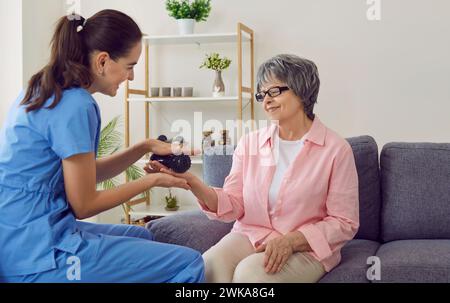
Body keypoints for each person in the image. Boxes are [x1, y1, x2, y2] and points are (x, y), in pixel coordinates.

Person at [0, 10, 204, 283]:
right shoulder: (76, 106)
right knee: (188, 264)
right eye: (130, 66)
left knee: (144, 234)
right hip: (38, 255)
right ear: (103, 61)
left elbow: (84, 174)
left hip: (23, 238)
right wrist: (153, 181)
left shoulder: (44, 90)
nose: (130, 77)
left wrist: (142, 147)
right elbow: (84, 204)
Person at [150, 54, 359, 283]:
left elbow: (344, 222)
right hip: (251, 234)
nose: (266, 100)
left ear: (302, 90)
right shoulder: (250, 143)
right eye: (262, 94)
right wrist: (192, 182)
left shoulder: (336, 149)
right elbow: (234, 203)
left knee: (251, 275)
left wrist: (291, 241)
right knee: (208, 266)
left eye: (275, 91)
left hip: (305, 248)